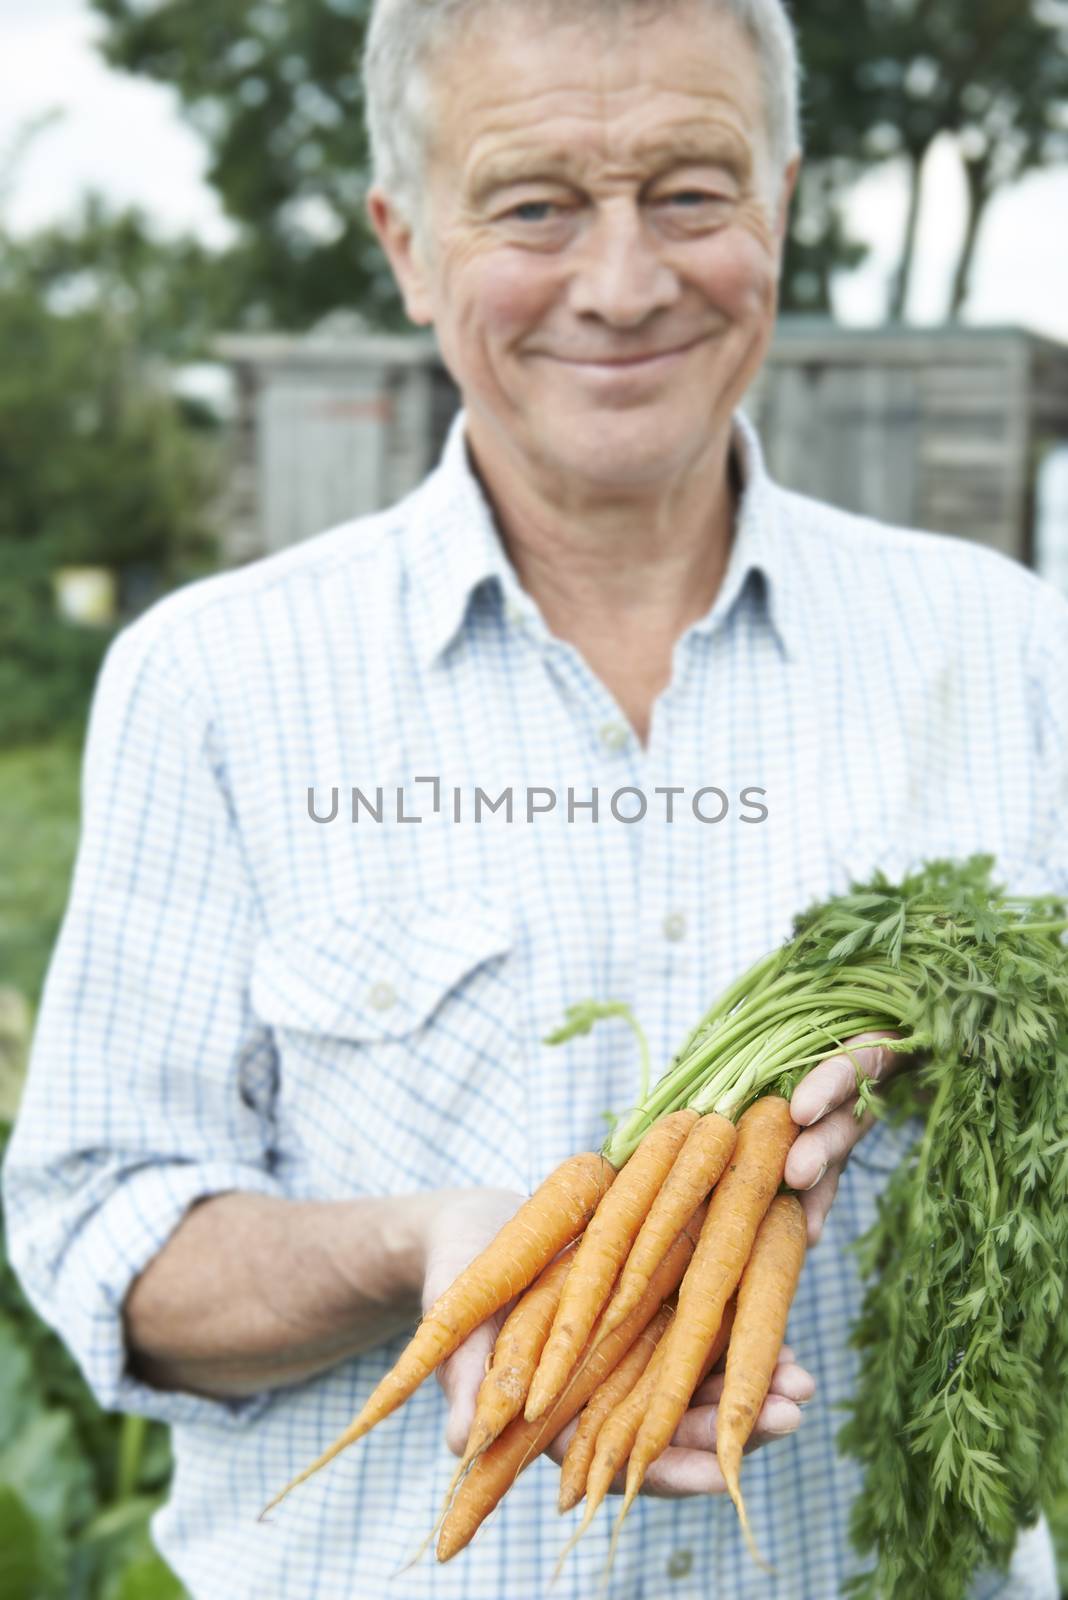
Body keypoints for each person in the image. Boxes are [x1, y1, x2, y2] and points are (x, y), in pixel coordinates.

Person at [4, 0, 1066, 1595]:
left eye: (692, 194)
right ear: (408, 244)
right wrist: (420, 1252)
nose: (625, 282)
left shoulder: (1008, 648)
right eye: (535, 206)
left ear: (779, 199)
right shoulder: (214, 680)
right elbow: (109, 1240)